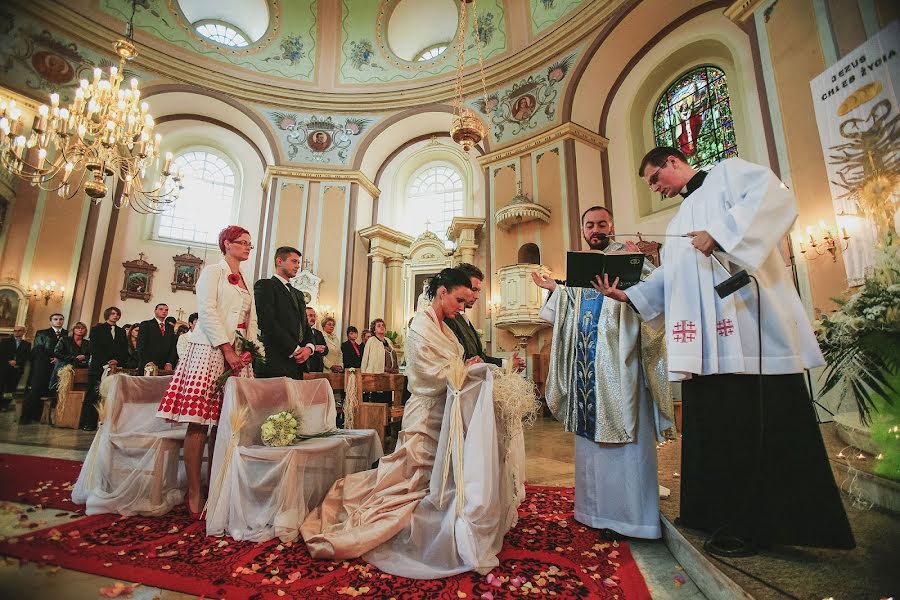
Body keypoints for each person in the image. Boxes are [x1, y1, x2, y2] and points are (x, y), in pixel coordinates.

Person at [597, 146, 853, 551]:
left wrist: (721, 233)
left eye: (654, 179)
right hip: (705, 346)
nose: (655, 189)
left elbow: (776, 197)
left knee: (749, 430)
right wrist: (629, 296)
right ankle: (711, 512)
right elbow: (673, 277)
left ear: (673, 163)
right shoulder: (682, 217)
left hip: (747, 335)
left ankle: (759, 527)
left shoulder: (729, 174)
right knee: (715, 431)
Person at [302, 268, 483, 567]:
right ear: (442, 293)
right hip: (426, 410)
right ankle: (404, 523)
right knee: (410, 477)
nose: (462, 307)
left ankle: (435, 522)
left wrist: (467, 363)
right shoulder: (420, 325)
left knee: (436, 475)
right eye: (460, 300)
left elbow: (452, 361)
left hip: (446, 409)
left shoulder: (447, 327)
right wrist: (462, 370)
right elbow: (426, 374)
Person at [532, 206, 674, 539]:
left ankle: (633, 520)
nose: (596, 230)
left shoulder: (635, 261)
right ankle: (593, 512)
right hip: (587, 373)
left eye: (602, 224)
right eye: (590, 225)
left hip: (624, 369)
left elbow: (658, 301)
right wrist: (556, 289)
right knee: (591, 448)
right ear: (583, 230)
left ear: (613, 226)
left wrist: (648, 267)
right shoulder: (584, 271)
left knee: (626, 445)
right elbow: (566, 309)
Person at [157, 225, 261, 518]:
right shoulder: (213, 272)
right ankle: (194, 489)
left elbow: (249, 319)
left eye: (249, 245)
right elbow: (208, 310)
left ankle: (217, 483)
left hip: (240, 354)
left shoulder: (246, 280)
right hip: (211, 350)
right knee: (200, 421)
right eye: (243, 243)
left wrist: (250, 348)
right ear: (227, 244)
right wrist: (226, 348)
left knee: (228, 424)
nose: (247, 248)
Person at [446, 263, 525, 372]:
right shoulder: (449, 318)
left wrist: (507, 363)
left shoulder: (463, 318)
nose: (477, 296)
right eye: (473, 289)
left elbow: (479, 356)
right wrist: (506, 367)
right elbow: (464, 358)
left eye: (479, 291)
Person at [253, 246, 315, 379]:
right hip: (274, 361)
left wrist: (309, 348)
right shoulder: (266, 286)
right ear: (279, 261)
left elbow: (304, 325)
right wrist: (294, 349)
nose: (298, 266)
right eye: (294, 261)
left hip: (297, 364)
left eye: (298, 262)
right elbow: (267, 323)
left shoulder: (298, 294)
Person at [81, 307, 128, 430]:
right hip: (98, 366)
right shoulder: (97, 330)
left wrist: (117, 360)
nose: (115, 316)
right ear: (107, 315)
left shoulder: (121, 331)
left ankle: (107, 423)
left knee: (111, 395)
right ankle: (88, 422)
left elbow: (123, 349)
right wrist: (105, 362)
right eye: (113, 314)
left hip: (114, 366)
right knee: (94, 394)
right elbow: (94, 348)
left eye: (118, 314)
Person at [20, 313, 66, 424]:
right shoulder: (42, 333)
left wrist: (58, 359)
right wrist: (52, 358)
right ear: (51, 321)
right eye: (55, 319)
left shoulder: (66, 333)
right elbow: (38, 349)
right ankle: (26, 417)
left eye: (61, 319)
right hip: (42, 365)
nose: (58, 321)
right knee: (35, 390)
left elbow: (66, 349)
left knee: (49, 391)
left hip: (58, 366)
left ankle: (40, 416)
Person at [361, 318, 398, 403]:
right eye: (379, 326)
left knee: (387, 400)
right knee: (377, 401)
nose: (382, 327)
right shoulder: (371, 341)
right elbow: (365, 359)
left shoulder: (388, 341)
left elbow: (393, 356)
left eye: (383, 325)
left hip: (389, 375)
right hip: (376, 375)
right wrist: (364, 377)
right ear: (374, 330)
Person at [137, 304, 177, 372]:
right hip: (147, 364)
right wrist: (148, 362)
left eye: (166, 310)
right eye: (161, 309)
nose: (164, 311)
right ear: (155, 311)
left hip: (164, 365)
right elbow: (141, 345)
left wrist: (169, 362)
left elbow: (172, 346)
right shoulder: (146, 324)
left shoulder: (170, 327)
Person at [1, 326, 30, 411]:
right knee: (1, 386)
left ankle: (4, 406)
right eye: (15, 331)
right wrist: (9, 361)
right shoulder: (5, 341)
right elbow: (2, 353)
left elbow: (26, 356)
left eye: (19, 331)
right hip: (4, 368)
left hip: (17, 369)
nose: (17, 332)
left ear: (24, 332)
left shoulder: (27, 344)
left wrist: (17, 362)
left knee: (11, 388)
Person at [305, 307, 328, 373]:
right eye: (310, 315)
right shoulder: (300, 332)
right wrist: (314, 348)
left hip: (318, 369)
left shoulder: (318, 333)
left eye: (314, 316)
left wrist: (323, 349)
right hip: (306, 368)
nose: (313, 318)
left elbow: (326, 350)